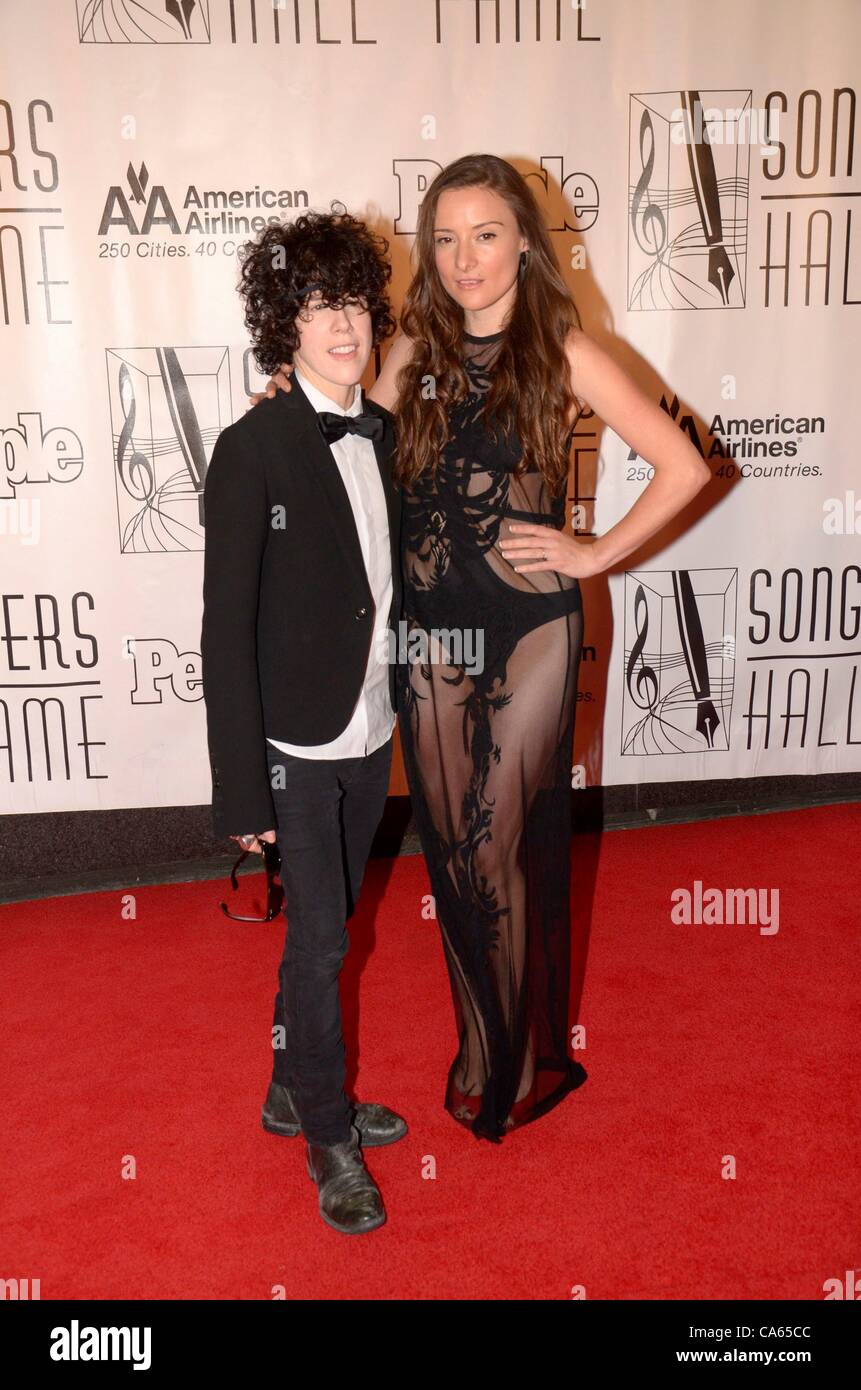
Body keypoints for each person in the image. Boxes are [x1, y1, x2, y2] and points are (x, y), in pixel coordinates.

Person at [255, 154, 711, 1144]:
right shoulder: (409, 351)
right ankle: (481, 1031)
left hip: (535, 626)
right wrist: (275, 420)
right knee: (454, 860)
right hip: (430, 627)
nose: (467, 258)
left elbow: (684, 465)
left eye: (488, 234)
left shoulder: (567, 352)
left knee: (496, 841)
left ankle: (497, 1057)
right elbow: (343, 443)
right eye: (447, 238)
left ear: (523, 243)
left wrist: (594, 551)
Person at [201, 207, 408, 1236]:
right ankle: (327, 1131)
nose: (342, 324)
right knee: (324, 939)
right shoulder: (253, 447)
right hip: (293, 744)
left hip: (370, 726)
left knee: (331, 934)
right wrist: (241, 790)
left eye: (356, 302)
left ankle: (291, 1085)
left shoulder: (384, 429)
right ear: (285, 321)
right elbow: (223, 627)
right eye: (319, 304)